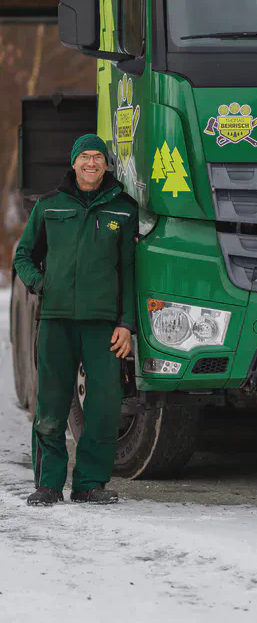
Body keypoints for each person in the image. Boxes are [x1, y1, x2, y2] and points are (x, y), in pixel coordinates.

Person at [13, 134, 138, 506]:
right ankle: (48, 484)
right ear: (73, 162)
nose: (91, 163)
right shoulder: (49, 206)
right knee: (51, 406)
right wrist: (41, 283)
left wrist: (127, 324)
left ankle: (89, 484)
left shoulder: (124, 208)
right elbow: (23, 255)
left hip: (104, 326)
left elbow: (130, 271)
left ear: (106, 164)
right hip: (56, 320)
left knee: (103, 407)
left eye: (98, 157)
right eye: (84, 156)